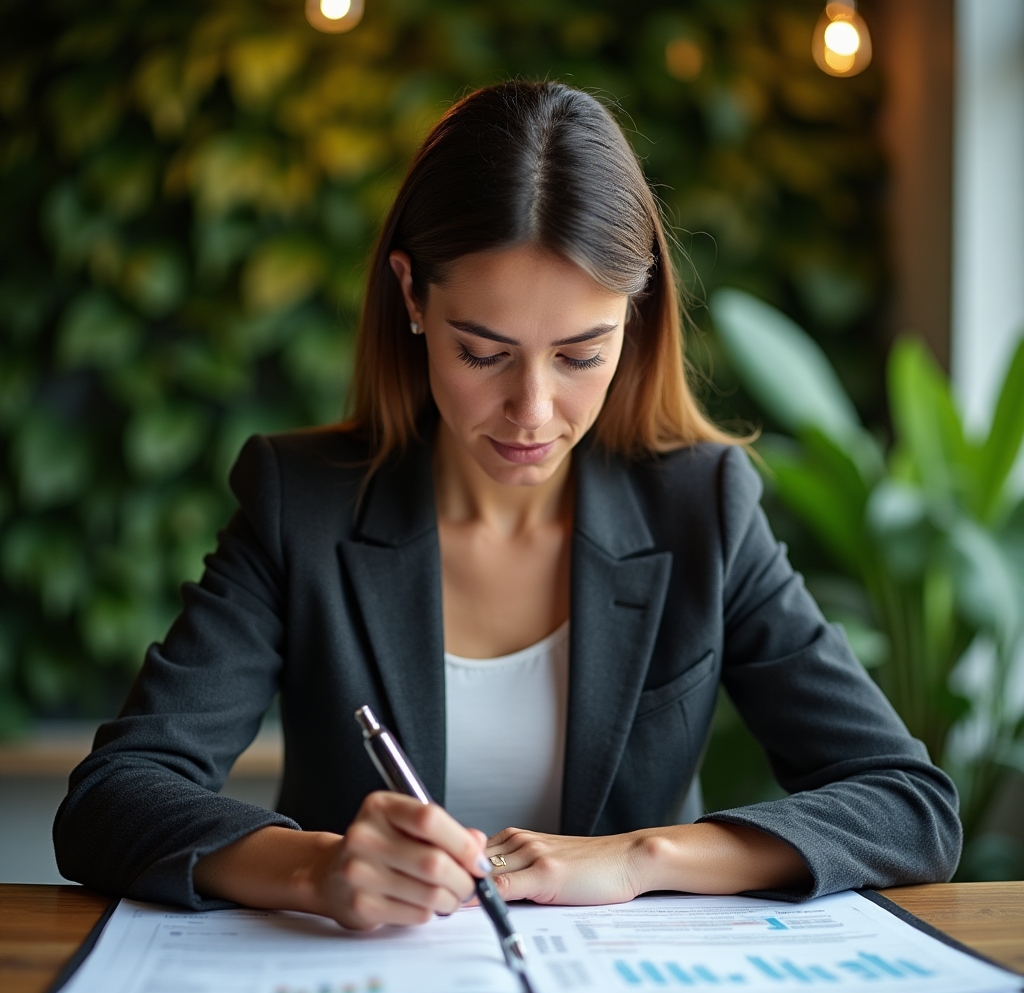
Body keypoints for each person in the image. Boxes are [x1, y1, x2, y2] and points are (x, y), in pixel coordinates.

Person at [54, 81, 960, 930]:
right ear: (412, 295)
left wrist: (641, 857)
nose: (533, 412)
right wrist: (315, 870)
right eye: (484, 352)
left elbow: (907, 805)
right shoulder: (304, 506)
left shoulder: (702, 508)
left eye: (579, 355)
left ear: (634, 318)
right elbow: (114, 798)